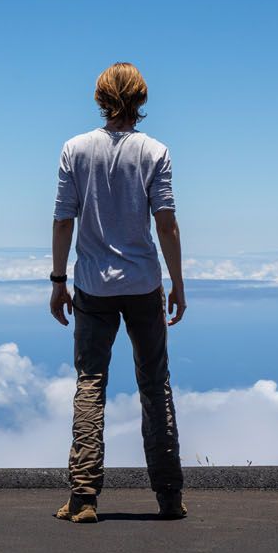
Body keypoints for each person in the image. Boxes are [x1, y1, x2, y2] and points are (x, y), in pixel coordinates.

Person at [48, 61, 188, 524]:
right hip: (144, 283)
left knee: (91, 384)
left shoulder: (75, 149)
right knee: (154, 386)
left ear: (100, 98)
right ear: (141, 100)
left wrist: (58, 281)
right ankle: (169, 497)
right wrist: (177, 284)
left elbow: (63, 218)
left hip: (91, 286)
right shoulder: (155, 152)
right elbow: (165, 223)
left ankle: (84, 498)